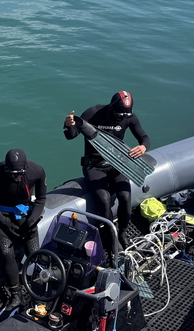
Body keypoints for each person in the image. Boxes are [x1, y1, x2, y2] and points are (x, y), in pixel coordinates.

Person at [64, 90, 150, 253]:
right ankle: (112, 236)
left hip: (118, 163)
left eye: (124, 116)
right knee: (103, 200)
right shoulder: (92, 113)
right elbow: (72, 135)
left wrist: (143, 147)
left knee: (125, 197)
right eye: (118, 114)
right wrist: (68, 126)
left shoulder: (129, 117)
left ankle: (123, 232)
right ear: (111, 108)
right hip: (94, 165)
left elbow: (144, 137)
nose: (120, 118)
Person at [0, 149, 47, 308]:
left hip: (26, 216)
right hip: (3, 216)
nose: (16, 177)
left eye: (19, 174)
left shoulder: (36, 171)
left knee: (34, 253)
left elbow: (41, 198)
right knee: (7, 252)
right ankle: (15, 295)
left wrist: (32, 220)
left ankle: (39, 292)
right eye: (12, 174)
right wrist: (4, 223)